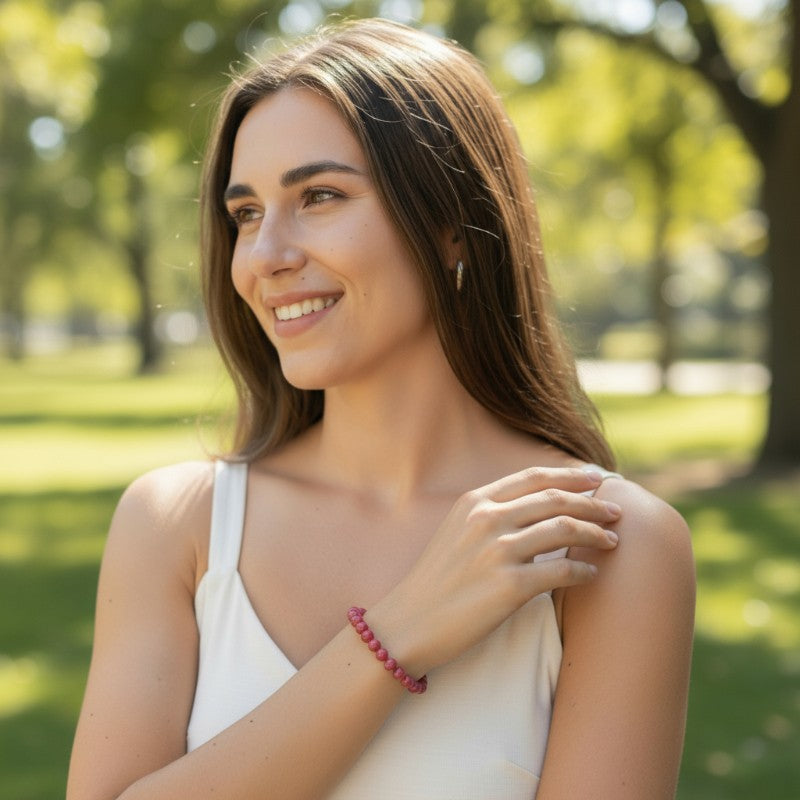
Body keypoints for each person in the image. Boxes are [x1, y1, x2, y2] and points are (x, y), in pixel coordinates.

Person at [66, 17, 695, 800]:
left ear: (450, 225)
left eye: (319, 196)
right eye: (247, 214)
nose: (265, 257)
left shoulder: (605, 545)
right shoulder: (179, 525)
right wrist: (396, 637)